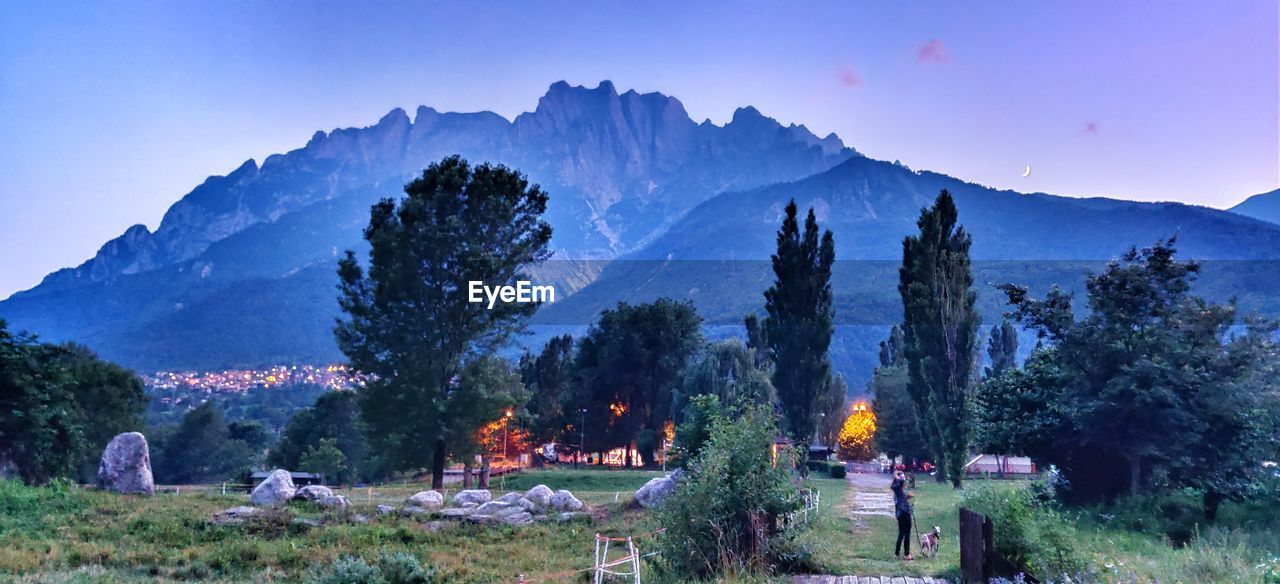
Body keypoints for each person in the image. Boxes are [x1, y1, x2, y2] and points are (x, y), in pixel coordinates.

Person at [892, 470, 914, 560]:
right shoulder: (898, 485)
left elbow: (901, 498)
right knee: (907, 533)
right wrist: (897, 474)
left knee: (901, 533)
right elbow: (901, 481)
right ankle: (906, 554)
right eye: (903, 477)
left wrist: (907, 497)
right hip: (904, 513)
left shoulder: (896, 488)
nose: (904, 479)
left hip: (899, 514)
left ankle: (896, 553)